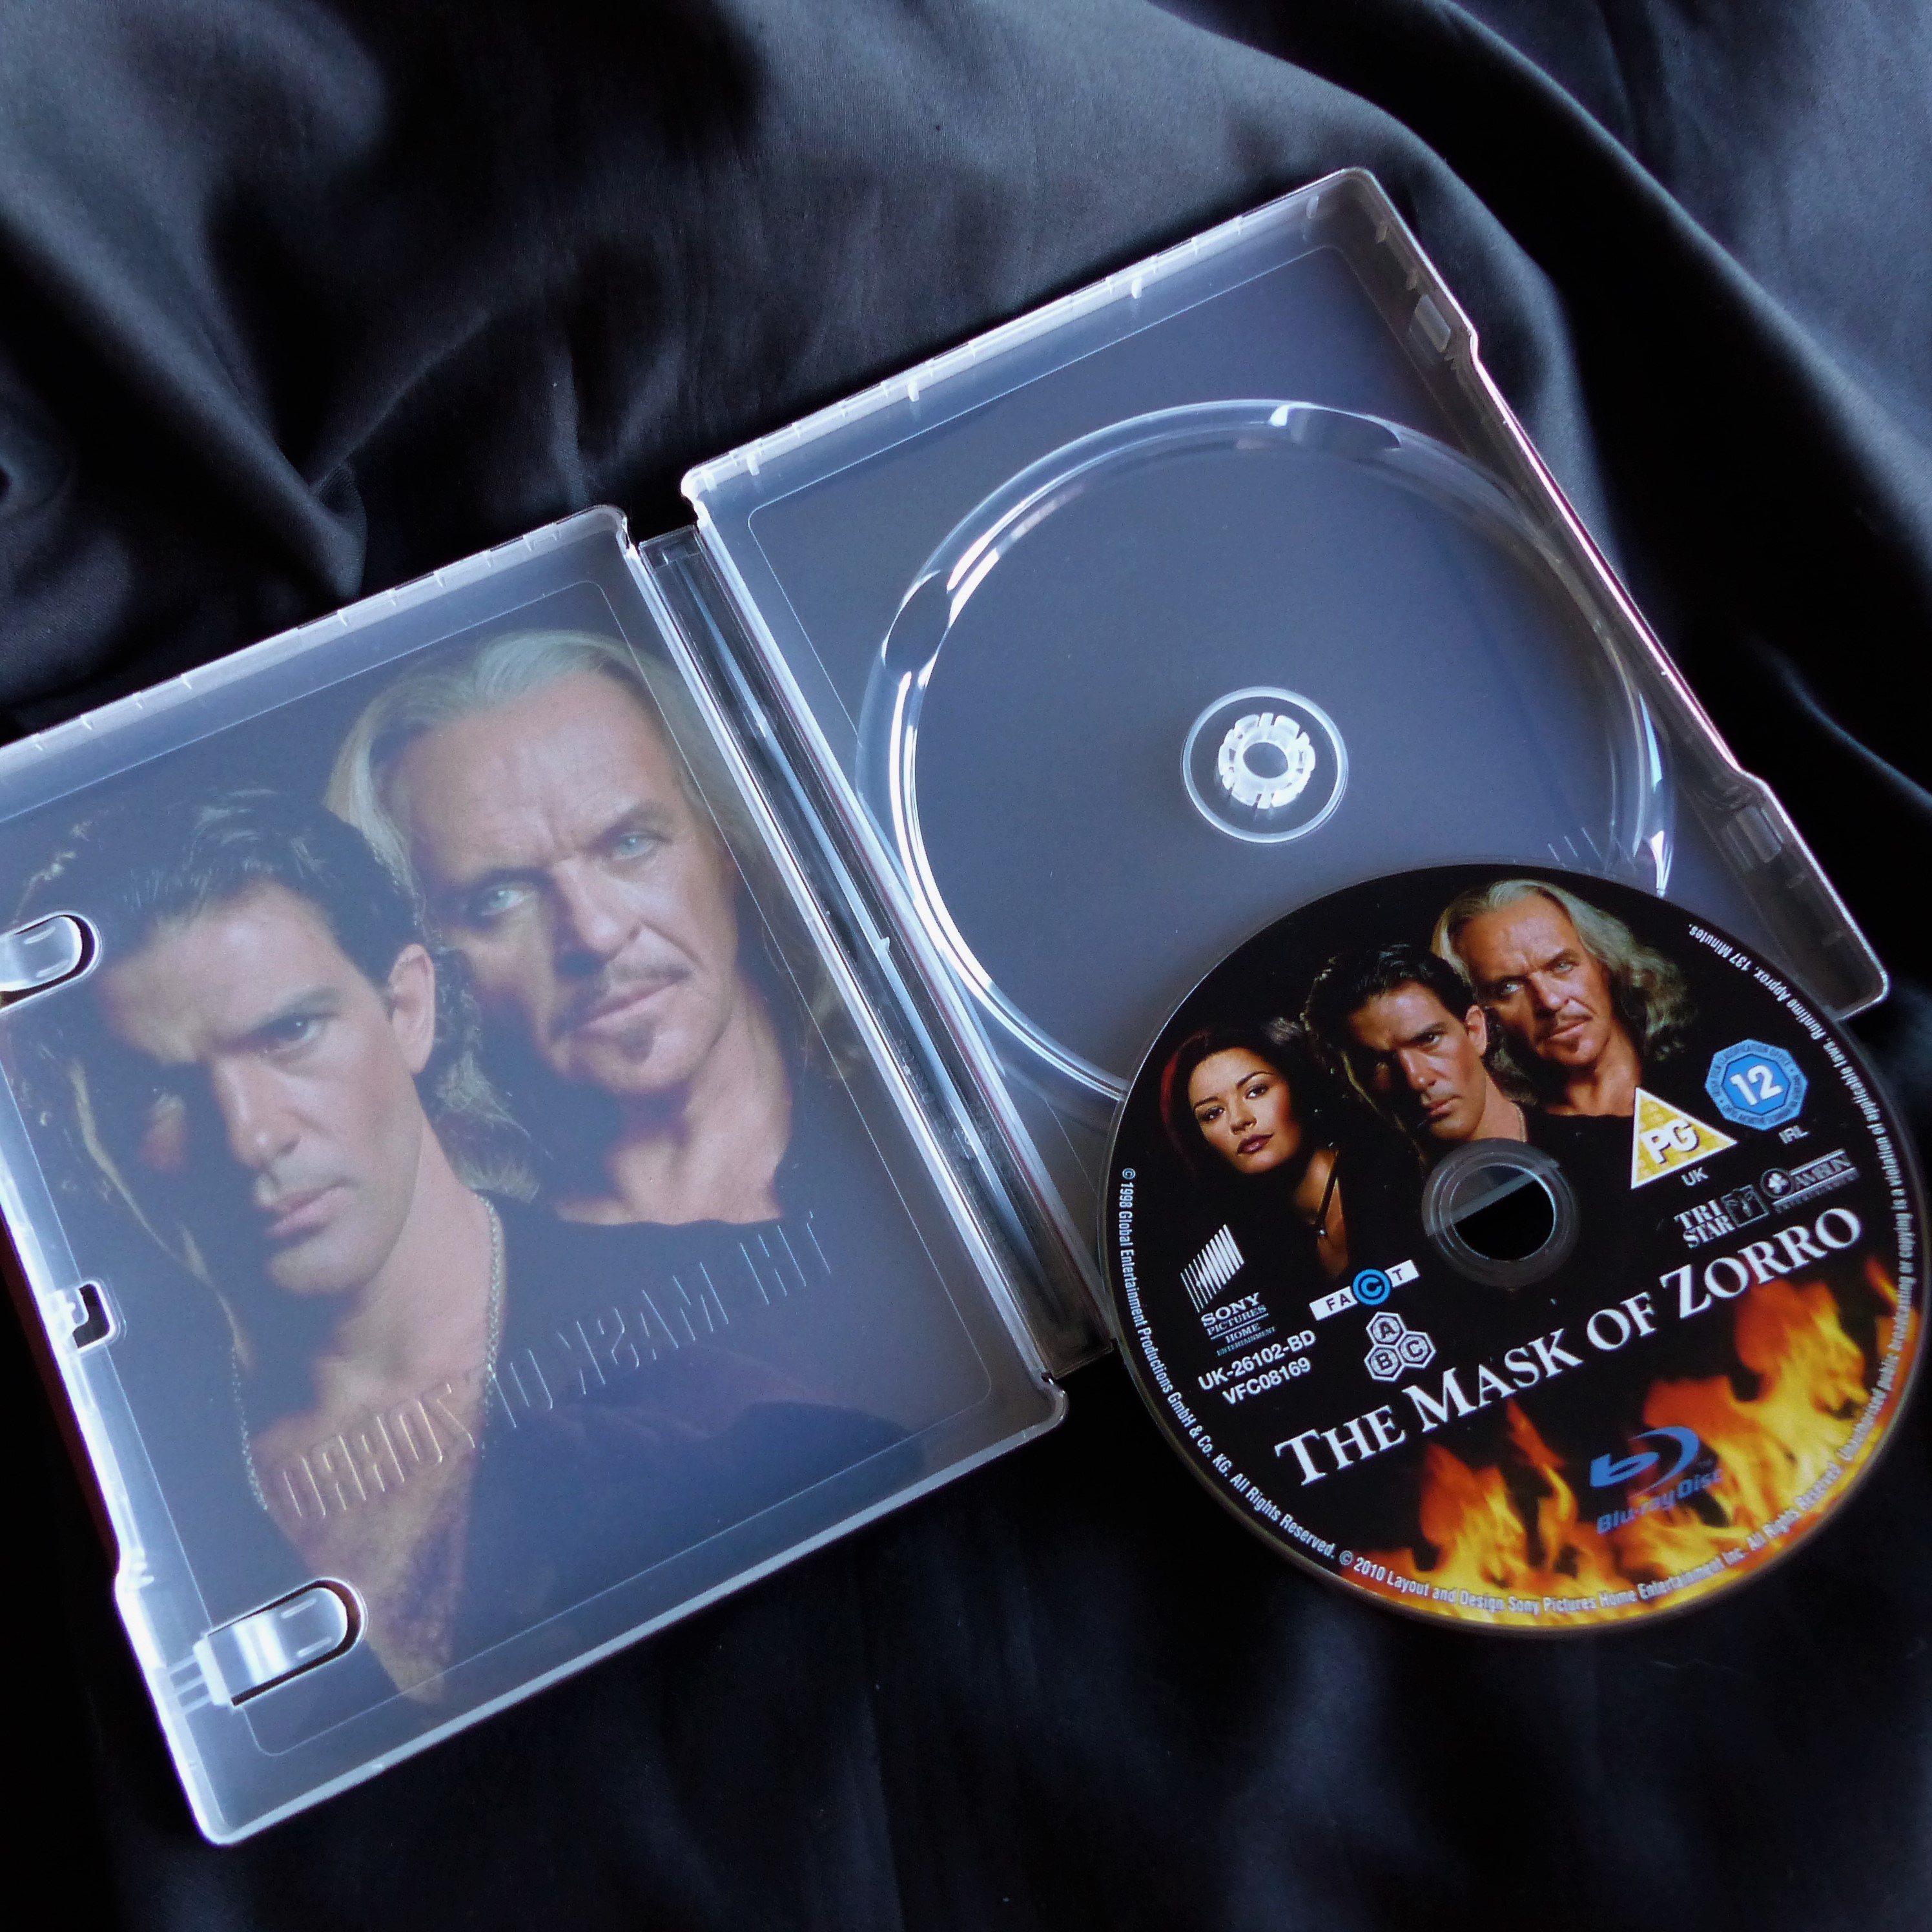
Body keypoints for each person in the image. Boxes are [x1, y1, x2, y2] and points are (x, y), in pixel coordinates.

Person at [10, 788, 899, 1707]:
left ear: (408, 1007)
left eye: (290, 1033)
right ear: (81, 1140)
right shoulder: (124, 1495)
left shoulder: (756, 1328)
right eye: (152, 1091)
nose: (249, 1137)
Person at [326, 629, 830, 1228]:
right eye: (499, 898)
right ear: (424, 969)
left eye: (631, 844)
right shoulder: (473, 1259)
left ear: (724, 841)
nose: (595, 933)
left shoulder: (907, 1099)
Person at [1431, 878, 1690, 1118]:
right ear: (1480, 1017)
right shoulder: (1520, 1139)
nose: (1550, 1002)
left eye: (1562, 966)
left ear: (1603, 962)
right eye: (1508, 987)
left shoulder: (1698, 1071)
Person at [1157, 1019, 1349, 1280]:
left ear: (1298, 1085)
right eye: (1213, 1113)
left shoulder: (1379, 1187)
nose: (1239, 1120)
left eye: (1256, 1091)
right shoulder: (1272, 1246)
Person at [1302, 943, 1528, 1163]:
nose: (1416, 1080)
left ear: (1475, 1031)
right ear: (1350, 1082)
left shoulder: (1553, 1142)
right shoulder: (1367, 1188)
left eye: (1429, 1040)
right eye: (1376, 1062)